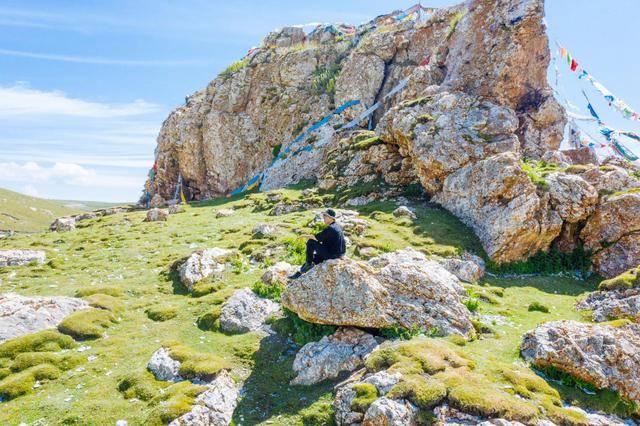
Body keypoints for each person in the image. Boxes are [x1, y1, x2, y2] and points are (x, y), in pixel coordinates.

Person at [289, 208, 346, 279]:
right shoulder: (337, 226)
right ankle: (299, 273)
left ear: (331, 218)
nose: (323, 218)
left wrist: (303, 236)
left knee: (311, 242)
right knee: (314, 258)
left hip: (333, 255)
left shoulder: (331, 228)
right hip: (337, 254)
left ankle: (308, 264)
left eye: (325, 216)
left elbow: (316, 238)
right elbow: (322, 239)